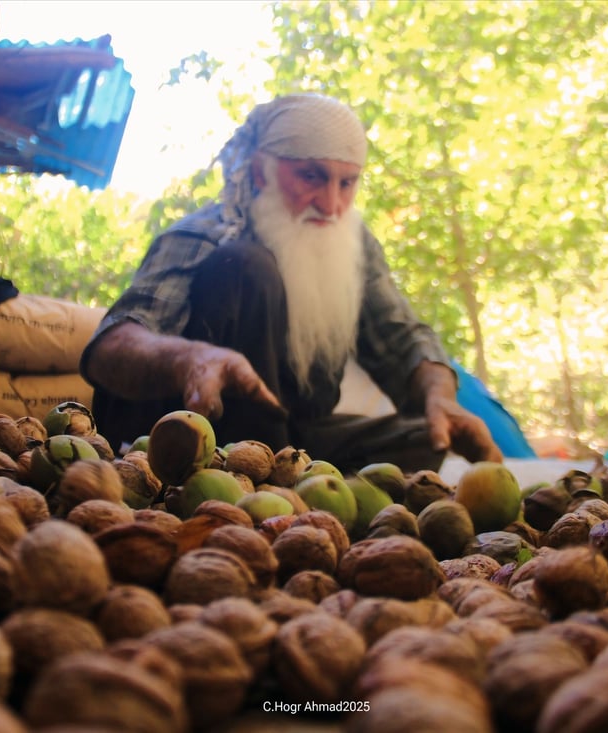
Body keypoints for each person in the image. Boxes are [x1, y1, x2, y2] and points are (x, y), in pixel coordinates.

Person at [80, 93, 502, 473]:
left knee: (427, 439)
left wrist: (440, 395)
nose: (332, 204)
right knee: (246, 267)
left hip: (294, 438)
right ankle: (264, 475)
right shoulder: (205, 234)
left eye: (347, 182)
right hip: (187, 437)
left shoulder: (353, 245)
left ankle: (287, 468)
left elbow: (402, 338)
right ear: (262, 171)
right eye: (312, 177)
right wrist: (190, 359)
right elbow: (111, 346)